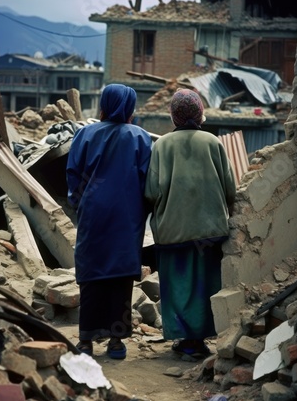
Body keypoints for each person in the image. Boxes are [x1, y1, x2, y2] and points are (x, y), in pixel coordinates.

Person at [144, 88, 236, 356]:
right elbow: (230, 189)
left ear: (173, 115)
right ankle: (200, 337)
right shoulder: (213, 143)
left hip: (172, 231)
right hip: (209, 230)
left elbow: (151, 191)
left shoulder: (161, 145)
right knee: (205, 284)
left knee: (177, 285)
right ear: (199, 113)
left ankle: (184, 339)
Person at [66, 83, 152, 359]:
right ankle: (116, 341)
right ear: (129, 108)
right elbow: (147, 181)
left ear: (104, 105)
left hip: (93, 214)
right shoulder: (140, 137)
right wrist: (142, 209)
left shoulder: (85, 134)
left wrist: (80, 203)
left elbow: (73, 174)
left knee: (91, 273)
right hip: (127, 218)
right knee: (121, 276)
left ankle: (86, 341)